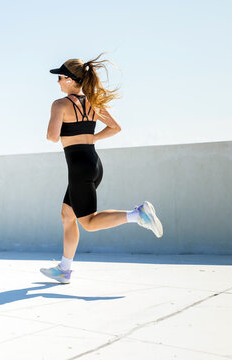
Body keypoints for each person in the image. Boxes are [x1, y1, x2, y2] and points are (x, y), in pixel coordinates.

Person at [40, 53, 163, 284]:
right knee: (67, 215)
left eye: (60, 78)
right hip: (94, 163)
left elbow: (51, 137)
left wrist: (63, 128)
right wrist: (90, 138)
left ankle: (137, 215)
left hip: (79, 167)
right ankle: (64, 269)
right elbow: (115, 128)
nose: (57, 82)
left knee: (89, 222)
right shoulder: (93, 103)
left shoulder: (59, 105)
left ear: (69, 79)